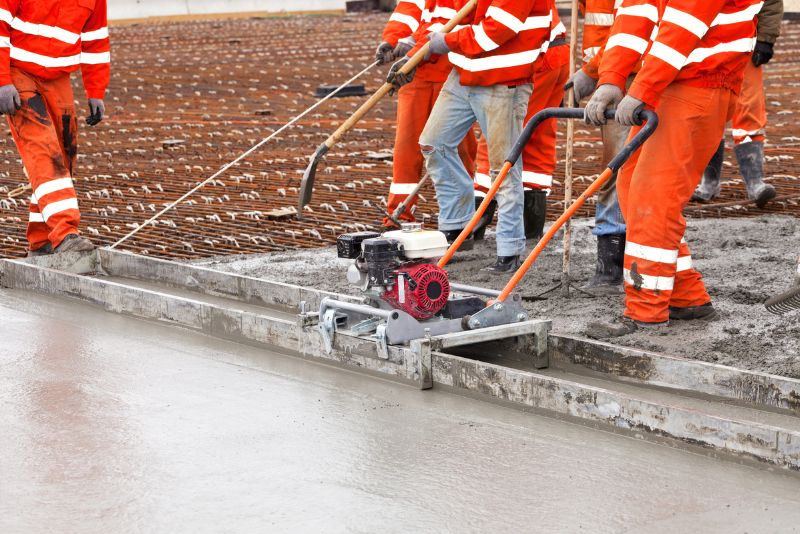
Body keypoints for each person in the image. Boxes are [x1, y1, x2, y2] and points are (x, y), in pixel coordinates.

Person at [583, 0, 763, 337]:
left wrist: (642, 87)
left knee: (654, 199)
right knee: (631, 188)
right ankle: (686, 297)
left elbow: (684, 24)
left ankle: (645, 311)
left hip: (702, 82)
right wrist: (611, 77)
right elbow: (636, 15)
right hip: (668, 82)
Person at [389, 0, 555, 273]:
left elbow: (497, 30)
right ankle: (458, 227)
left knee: (503, 168)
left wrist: (446, 42)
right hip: (464, 73)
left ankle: (509, 249)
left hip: (504, 79)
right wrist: (418, 52)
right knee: (434, 143)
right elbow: (454, 18)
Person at [0, 0, 109, 256]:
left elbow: (95, 40)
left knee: (64, 154)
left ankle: (42, 240)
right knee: (44, 152)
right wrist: (3, 80)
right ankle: (64, 233)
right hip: (17, 74)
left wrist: (96, 90)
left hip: (58, 78)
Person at [377, 0, 477, 233]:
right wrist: (392, 39)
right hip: (415, 74)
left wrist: (412, 51)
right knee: (406, 149)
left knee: (456, 147)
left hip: (450, 70)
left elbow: (451, 21)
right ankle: (398, 216)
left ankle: (462, 219)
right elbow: (408, 9)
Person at [472, 5, 568, 242]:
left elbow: (493, 28)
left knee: (497, 134)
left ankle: (473, 230)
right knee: (536, 135)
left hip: (531, 54)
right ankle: (531, 232)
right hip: (554, 50)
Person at [563, 0, 630, 292]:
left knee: (619, 170)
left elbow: (631, 34)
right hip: (611, 77)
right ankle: (612, 264)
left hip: (632, 80)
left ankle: (613, 268)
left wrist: (592, 72)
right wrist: (591, 73)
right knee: (615, 169)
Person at [692, 0, 784, 208]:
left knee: (748, 110)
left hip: (744, 46)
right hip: (704, 48)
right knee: (708, 112)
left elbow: (770, 2)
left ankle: (755, 183)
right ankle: (709, 183)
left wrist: (766, 39)